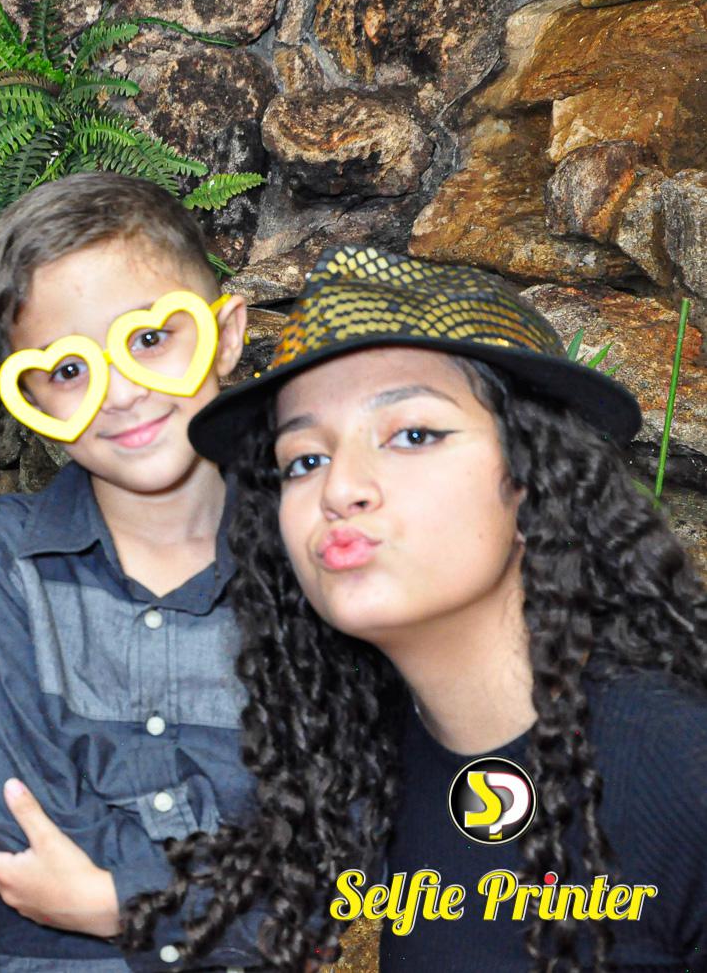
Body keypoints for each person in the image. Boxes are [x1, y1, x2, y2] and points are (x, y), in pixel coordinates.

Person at [123, 246, 707, 970]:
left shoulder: (681, 764)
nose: (341, 489)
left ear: (534, 477)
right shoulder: (361, 761)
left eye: (413, 435)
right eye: (304, 460)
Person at [0, 172, 270, 972]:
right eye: (68, 371)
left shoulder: (306, 557)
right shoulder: (4, 558)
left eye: (150, 339)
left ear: (226, 335)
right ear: (26, 398)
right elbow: (16, 821)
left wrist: (117, 901)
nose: (122, 393)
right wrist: (228, 900)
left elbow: (338, 858)